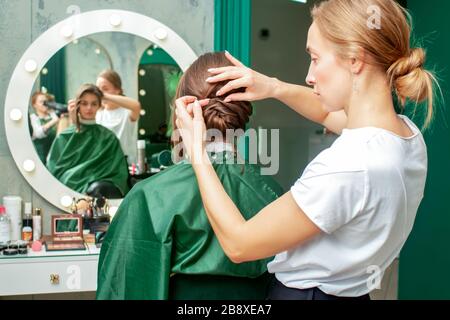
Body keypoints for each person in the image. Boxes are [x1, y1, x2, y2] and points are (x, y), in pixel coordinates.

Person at [174, 0, 439, 300]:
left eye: (315, 58)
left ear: (355, 60)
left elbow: (239, 244)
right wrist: (273, 87)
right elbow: (327, 115)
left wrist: (197, 151)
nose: (309, 76)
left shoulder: (347, 166)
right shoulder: (406, 137)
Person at [96, 52, 284, 300]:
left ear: (182, 111)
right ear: (240, 112)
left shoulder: (148, 197)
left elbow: (121, 287)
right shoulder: (276, 194)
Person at [46, 84, 129, 198]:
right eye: (84, 103)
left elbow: (118, 173)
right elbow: (54, 170)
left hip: (98, 191)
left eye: (94, 104)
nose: (89, 108)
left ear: (100, 106)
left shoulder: (109, 137)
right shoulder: (65, 136)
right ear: (77, 106)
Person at [95, 69, 142, 165]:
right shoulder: (98, 114)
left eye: (105, 88)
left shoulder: (127, 113)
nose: (100, 93)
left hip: (122, 164)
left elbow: (136, 106)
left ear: (117, 90)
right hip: (101, 163)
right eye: (98, 90)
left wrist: (104, 95)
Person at [29, 91, 60, 165]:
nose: (45, 104)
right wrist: (54, 121)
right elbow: (38, 134)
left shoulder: (53, 115)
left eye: (46, 102)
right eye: (41, 102)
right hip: (41, 159)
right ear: (34, 105)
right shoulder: (33, 118)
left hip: (56, 157)